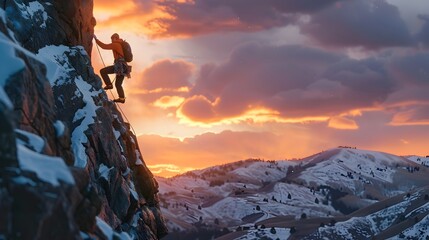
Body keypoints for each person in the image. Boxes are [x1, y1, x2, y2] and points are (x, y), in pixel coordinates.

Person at [94, 33, 130, 103]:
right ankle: (122, 98)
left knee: (103, 71)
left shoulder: (116, 44)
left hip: (119, 65)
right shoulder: (121, 44)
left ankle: (109, 84)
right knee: (118, 84)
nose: (111, 40)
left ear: (115, 38)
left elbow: (104, 46)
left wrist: (96, 39)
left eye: (112, 39)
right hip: (124, 66)